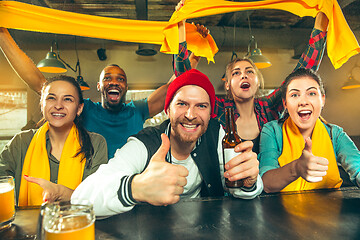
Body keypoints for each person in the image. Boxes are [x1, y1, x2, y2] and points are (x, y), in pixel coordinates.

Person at [72, 69, 263, 217]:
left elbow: (237, 187)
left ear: (210, 112)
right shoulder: (144, 143)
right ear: (167, 110)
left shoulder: (217, 133)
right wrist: (134, 188)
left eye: (201, 106)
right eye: (182, 104)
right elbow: (80, 199)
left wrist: (248, 182)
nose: (190, 115)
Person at [173, 0, 329, 154]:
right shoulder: (217, 109)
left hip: (270, 178)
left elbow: (303, 72)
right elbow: (186, 81)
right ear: (227, 84)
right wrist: (180, 27)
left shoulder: (269, 107)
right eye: (236, 73)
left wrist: (321, 24)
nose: (244, 76)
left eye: (249, 71)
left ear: (257, 81)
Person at [0, 27, 174, 159]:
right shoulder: (86, 109)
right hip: (91, 184)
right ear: (99, 86)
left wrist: (194, 55)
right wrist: (3, 35)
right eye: (107, 78)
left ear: (126, 87)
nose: (114, 82)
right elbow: (40, 83)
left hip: (132, 184)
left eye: (120, 79)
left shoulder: (137, 110)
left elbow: (173, 88)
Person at [0, 75, 108, 206]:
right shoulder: (21, 142)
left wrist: (60, 192)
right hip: (30, 225)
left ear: (79, 108)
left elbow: (96, 198)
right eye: (51, 98)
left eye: (67, 99)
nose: (58, 106)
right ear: (42, 104)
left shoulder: (96, 143)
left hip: (78, 224)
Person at [258, 68, 360, 193]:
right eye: (294, 95)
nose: (303, 102)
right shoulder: (272, 131)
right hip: (282, 210)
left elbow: (358, 168)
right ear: (285, 103)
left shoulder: (335, 134)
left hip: (330, 209)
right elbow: (266, 183)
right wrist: (296, 168)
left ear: (322, 99)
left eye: (311, 93)